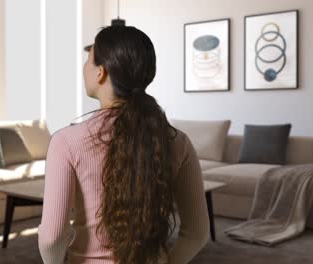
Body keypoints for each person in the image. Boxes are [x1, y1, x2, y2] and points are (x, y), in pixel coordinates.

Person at [38, 25, 210, 264]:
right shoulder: (178, 141)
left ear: (101, 72)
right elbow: (198, 233)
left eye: (89, 61)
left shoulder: (66, 141)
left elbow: (52, 237)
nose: (84, 68)